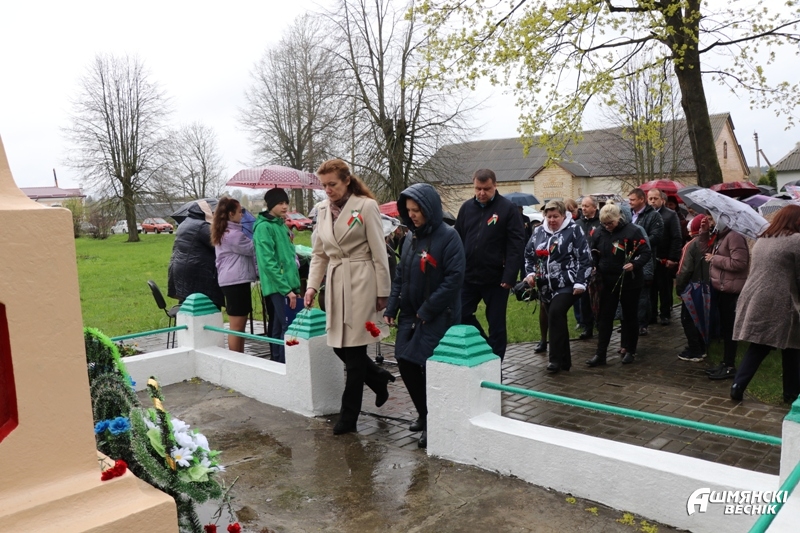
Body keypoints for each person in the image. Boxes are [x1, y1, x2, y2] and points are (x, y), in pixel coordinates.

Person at [303, 159, 394, 435]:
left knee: (354, 351)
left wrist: (383, 291)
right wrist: (311, 286)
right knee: (339, 346)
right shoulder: (322, 211)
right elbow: (319, 254)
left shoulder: (365, 206)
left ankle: (349, 416)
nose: (328, 190)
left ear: (346, 180)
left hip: (362, 280)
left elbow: (379, 251)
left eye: (332, 184)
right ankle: (378, 378)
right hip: (335, 282)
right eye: (324, 185)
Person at [384, 183, 465, 448]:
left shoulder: (449, 237)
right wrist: (392, 307)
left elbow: (454, 279)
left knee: (428, 366)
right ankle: (424, 412)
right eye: (408, 210)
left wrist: (428, 309)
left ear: (429, 209)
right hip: (411, 312)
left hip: (438, 314)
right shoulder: (410, 237)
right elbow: (401, 275)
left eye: (417, 210)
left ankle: (434, 420)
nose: (412, 215)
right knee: (404, 360)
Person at [730, 205, 800, 403]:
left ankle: (738, 385)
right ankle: (791, 392)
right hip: (780, 300)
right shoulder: (796, 240)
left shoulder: (764, 238)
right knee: (789, 345)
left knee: (767, 345)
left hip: (756, 296)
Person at [454, 169, 525, 361]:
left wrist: (510, 275)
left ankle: (496, 363)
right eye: (478, 188)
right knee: (461, 314)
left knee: (496, 324)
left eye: (486, 189)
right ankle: (486, 348)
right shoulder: (466, 208)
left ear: (495, 186)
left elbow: (516, 244)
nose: (481, 193)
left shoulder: (507, 209)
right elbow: (457, 239)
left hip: (496, 278)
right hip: (468, 276)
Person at [523, 200, 592, 373]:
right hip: (545, 285)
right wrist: (530, 274)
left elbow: (585, 257)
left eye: (556, 216)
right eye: (549, 216)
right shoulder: (538, 231)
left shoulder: (574, 230)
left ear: (563, 215)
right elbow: (529, 255)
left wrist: (580, 282)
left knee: (555, 313)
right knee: (557, 319)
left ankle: (554, 360)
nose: (552, 220)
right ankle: (565, 361)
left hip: (568, 283)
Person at [585, 203, 652, 367]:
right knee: (605, 318)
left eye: (610, 223)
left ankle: (630, 350)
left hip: (629, 281)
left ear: (618, 218)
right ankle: (600, 354)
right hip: (607, 281)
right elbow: (594, 251)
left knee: (629, 316)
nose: (607, 226)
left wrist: (634, 264)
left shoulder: (632, 231)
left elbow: (646, 252)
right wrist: (594, 263)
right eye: (604, 224)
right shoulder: (599, 232)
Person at [254, 188, 301, 364]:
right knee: (288, 326)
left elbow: (288, 257)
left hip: (288, 284)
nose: (285, 206)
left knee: (278, 327)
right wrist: (286, 289)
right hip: (279, 286)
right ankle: (285, 364)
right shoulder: (264, 227)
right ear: (271, 204)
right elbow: (268, 262)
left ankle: (277, 363)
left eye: (286, 202)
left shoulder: (280, 225)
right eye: (280, 203)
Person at [700, 215, 750, 380]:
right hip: (721, 287)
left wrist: (715, 259)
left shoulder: (734, 236)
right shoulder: (721, 235)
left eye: (712, 218)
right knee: (725, 328)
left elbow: (740, 263)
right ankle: (725, 362)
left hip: (731, 290)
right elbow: (705, 252)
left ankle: (730, 365)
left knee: (730, 329)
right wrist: (704, 233)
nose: (710, 222)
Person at [211, 198, 258, 353]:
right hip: (236, 282)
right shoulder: (233, 236)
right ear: (231, 214)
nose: (241, 215)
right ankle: (236, 357)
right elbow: (254, 248)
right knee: (237, 326)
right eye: (239, 212)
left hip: (232, 281)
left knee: (239, 325)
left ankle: (239, 356)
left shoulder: (225, 232)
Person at [168, 200, 224, 309]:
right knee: (205, 306)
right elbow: (219, 245)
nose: (213, 213)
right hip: (197, 272)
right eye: (211, 211)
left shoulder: (185, 223)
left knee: (187, 304)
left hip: (182, 271)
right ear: (205, 211)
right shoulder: (202, 226)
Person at [674, 215, 711, 362]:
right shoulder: (711, 241)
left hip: (693, 288)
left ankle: (695, 350)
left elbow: (684, 270)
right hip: (708, 287)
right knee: (702, 318)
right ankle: (702, 346)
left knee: (688, 319)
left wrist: (679, 289)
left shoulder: (691, 245)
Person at [628, 188, 664, 336]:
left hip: (645, 259)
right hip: (629, 259)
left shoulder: (653, 216)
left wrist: (638, 242)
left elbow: (657, 236)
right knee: (630, 294)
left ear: (642, 200)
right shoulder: (628, 214)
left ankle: (642, 324)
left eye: (632, 200)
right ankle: (630, 322)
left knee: (643, 293)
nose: (630, 202)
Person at [647, 189, 682, 326]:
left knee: (665, 288)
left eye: (655, 198)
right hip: (649, 258)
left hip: (664, 257)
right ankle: (652, 314)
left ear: (662, 200)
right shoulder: (646, 215)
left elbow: (676, 237)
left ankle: (665, 314)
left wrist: (673, 258)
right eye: (650, 198)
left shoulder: (670, 215)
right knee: (651, 288)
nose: (652, 201)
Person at [576, 195, 602, 340]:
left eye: (586, 206)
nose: (583, 208)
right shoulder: (578, 223)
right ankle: (587, 326)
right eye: (582, 206)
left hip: (598, 265)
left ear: (594, 207)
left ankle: (600, 323)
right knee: (584, 298)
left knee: (598, 297)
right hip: (582, 265)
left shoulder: (600, 222)